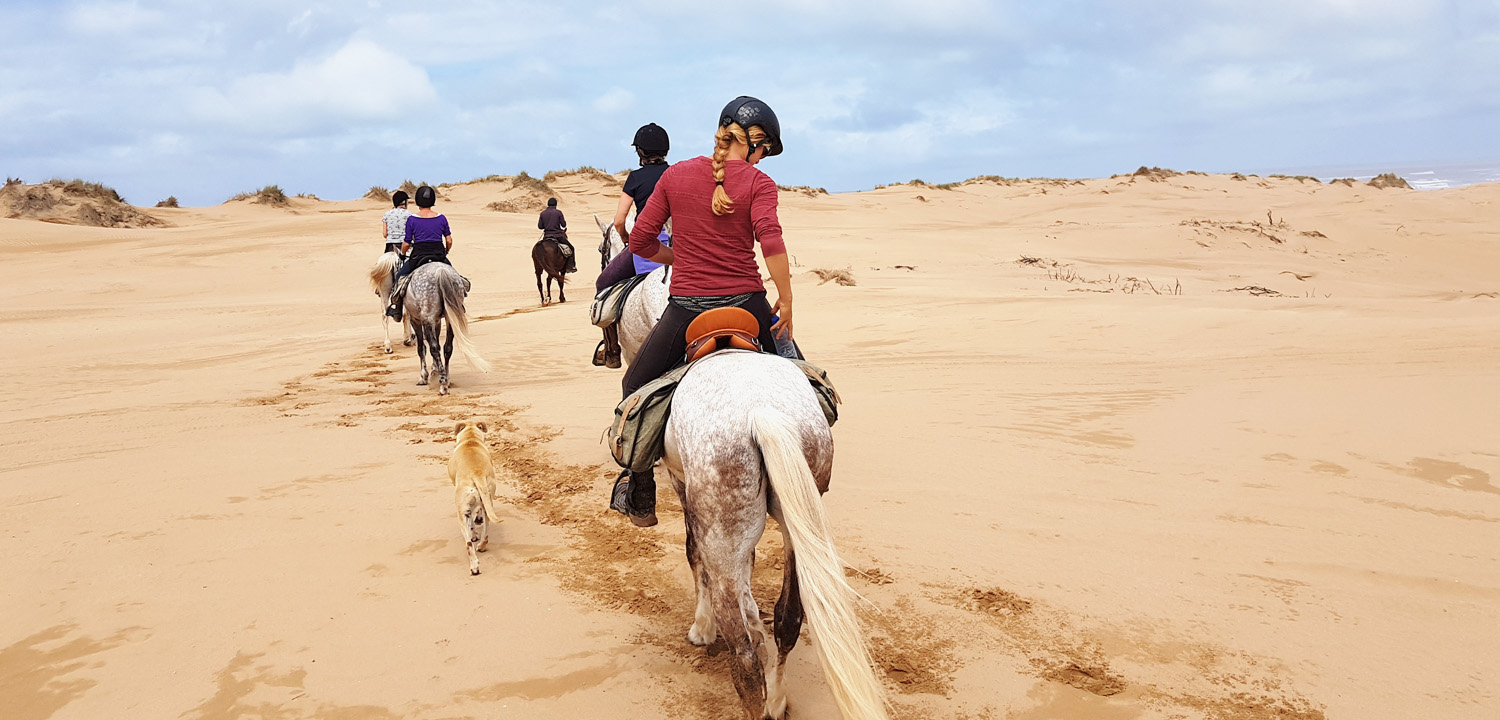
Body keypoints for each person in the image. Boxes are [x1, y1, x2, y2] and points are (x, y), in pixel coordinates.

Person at [609, 96, 791, 527]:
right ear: (753, 140)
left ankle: (639, 489)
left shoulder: (676, 175)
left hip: (688, 309)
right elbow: (771, 242)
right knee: (799, 376)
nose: (763, 159)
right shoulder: (760, 185)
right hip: (750, 304)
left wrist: (675, 259)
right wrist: (786, 297)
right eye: (764, 150)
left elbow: (638, 242)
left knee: (635, 385)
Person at [593, 122, 672, 368]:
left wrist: (628, 240)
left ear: (640, 152)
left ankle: (612, 349)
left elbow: (618, 222)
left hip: (645, 245)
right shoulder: (675, 173)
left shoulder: (635, 178)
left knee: (603, 283)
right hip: (677, 245)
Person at [385, 185, 456, 321]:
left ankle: (396, 308)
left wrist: (403, 254)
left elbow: (406, 243)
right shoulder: (441, 218)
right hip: (438, 255)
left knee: (400, 276)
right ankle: (459, 302)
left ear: (417, 201)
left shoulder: (412, 219)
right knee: (454, 276)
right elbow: (449, 240)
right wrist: (446, 251)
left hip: (418, 256)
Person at [537, 197, 577, 273]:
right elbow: (563, 224)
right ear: (555, 205)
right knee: (571, 248)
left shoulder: (542, 213)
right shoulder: (558, 212)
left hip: (547, 236)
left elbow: (540, 226)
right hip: (557, 235)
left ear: (548, 205)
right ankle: (571, 266)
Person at [380, 190, 412, 256]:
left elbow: (385, 234)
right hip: (407, 246)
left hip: (390, 246)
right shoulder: (410, 215)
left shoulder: (387, 214)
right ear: (404, 202)